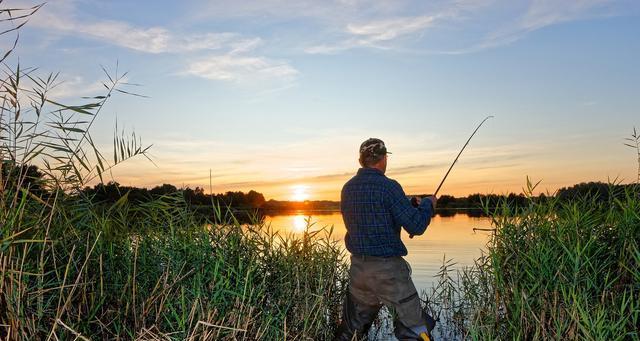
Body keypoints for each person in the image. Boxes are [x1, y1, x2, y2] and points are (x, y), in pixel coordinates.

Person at [334, 138, 437, 341]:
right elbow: (416, 226)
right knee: (416, 332)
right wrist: (428, 205)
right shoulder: (389, 187)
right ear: (383, 158)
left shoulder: (348, 188)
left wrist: (408, 204)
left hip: (358, 272)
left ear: (361, 160)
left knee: (350, 334)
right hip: (389, 274)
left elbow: (373, 211)